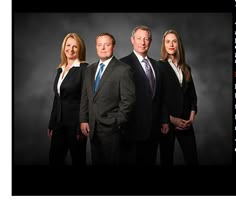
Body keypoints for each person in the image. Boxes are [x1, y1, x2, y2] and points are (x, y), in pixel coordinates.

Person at [80, 32, 135, 165]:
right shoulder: (90, 69)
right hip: (92, 127)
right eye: (100, 45)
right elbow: (85, 96)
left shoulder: (123, 69)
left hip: (112, 129)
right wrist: (83, 119)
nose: (103, 48)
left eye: (107, 44)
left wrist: (117, 121)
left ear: (113, 46)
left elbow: (128, 100)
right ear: (96, 47)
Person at [120, 25, 169, 165]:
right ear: (132, 40)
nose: (142, 42)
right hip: (131, 129)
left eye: (146, 39)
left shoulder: (156, 66)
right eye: (139, 38)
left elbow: (161, 95)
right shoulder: (123, 64)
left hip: (153, 129)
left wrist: (164, 120)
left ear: (150, 41)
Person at [157, 29, 198, 166]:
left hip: (186, 123)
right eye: (168, 41)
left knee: (192, 159)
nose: (171, 44)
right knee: (166, 160)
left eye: (174, 41)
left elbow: (192, 97)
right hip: (167, 123)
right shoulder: (159, 66)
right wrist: (170, 119)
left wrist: (191, 120)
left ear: (178, 44)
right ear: (164, 44)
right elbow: (158, 98)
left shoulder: (186, 68)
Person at [48, 33, 88, 166]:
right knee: (55, 160)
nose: (70, 49)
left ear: (80, 49)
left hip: (75, 126)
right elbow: (57, 97)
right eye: (68, 45)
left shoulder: (84, 69)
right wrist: (52, 123)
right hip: (59, 124)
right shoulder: (60, 69)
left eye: (75, 47)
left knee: (78, 160)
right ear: (64, 47)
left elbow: (85, 99)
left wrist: (81, 125)